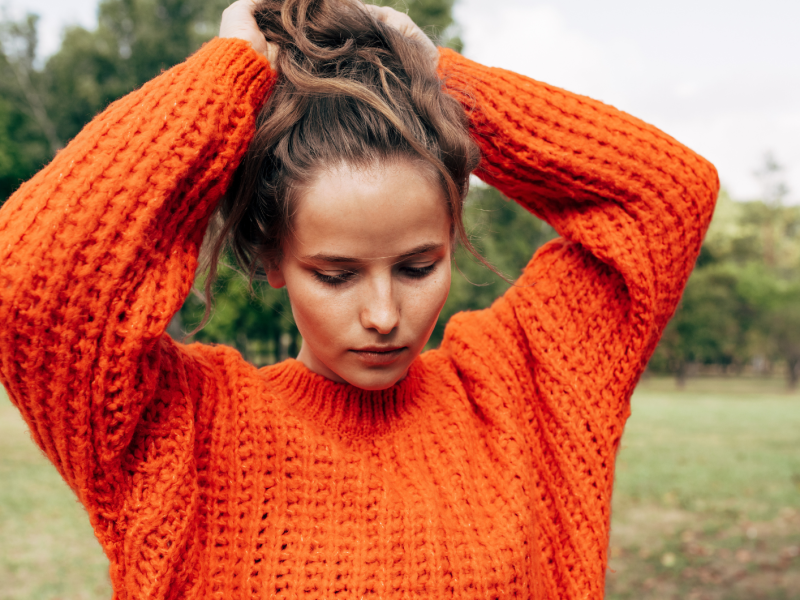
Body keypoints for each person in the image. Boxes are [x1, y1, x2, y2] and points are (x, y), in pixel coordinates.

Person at [0, 0, 719, 597]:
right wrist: (226, 77)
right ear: (273, 258)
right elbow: (29, 280)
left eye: (416, 266)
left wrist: (442, 82)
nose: (383, 315)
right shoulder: (182, 434)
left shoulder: (521, 390)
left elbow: (666, 195)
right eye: (336, 274)